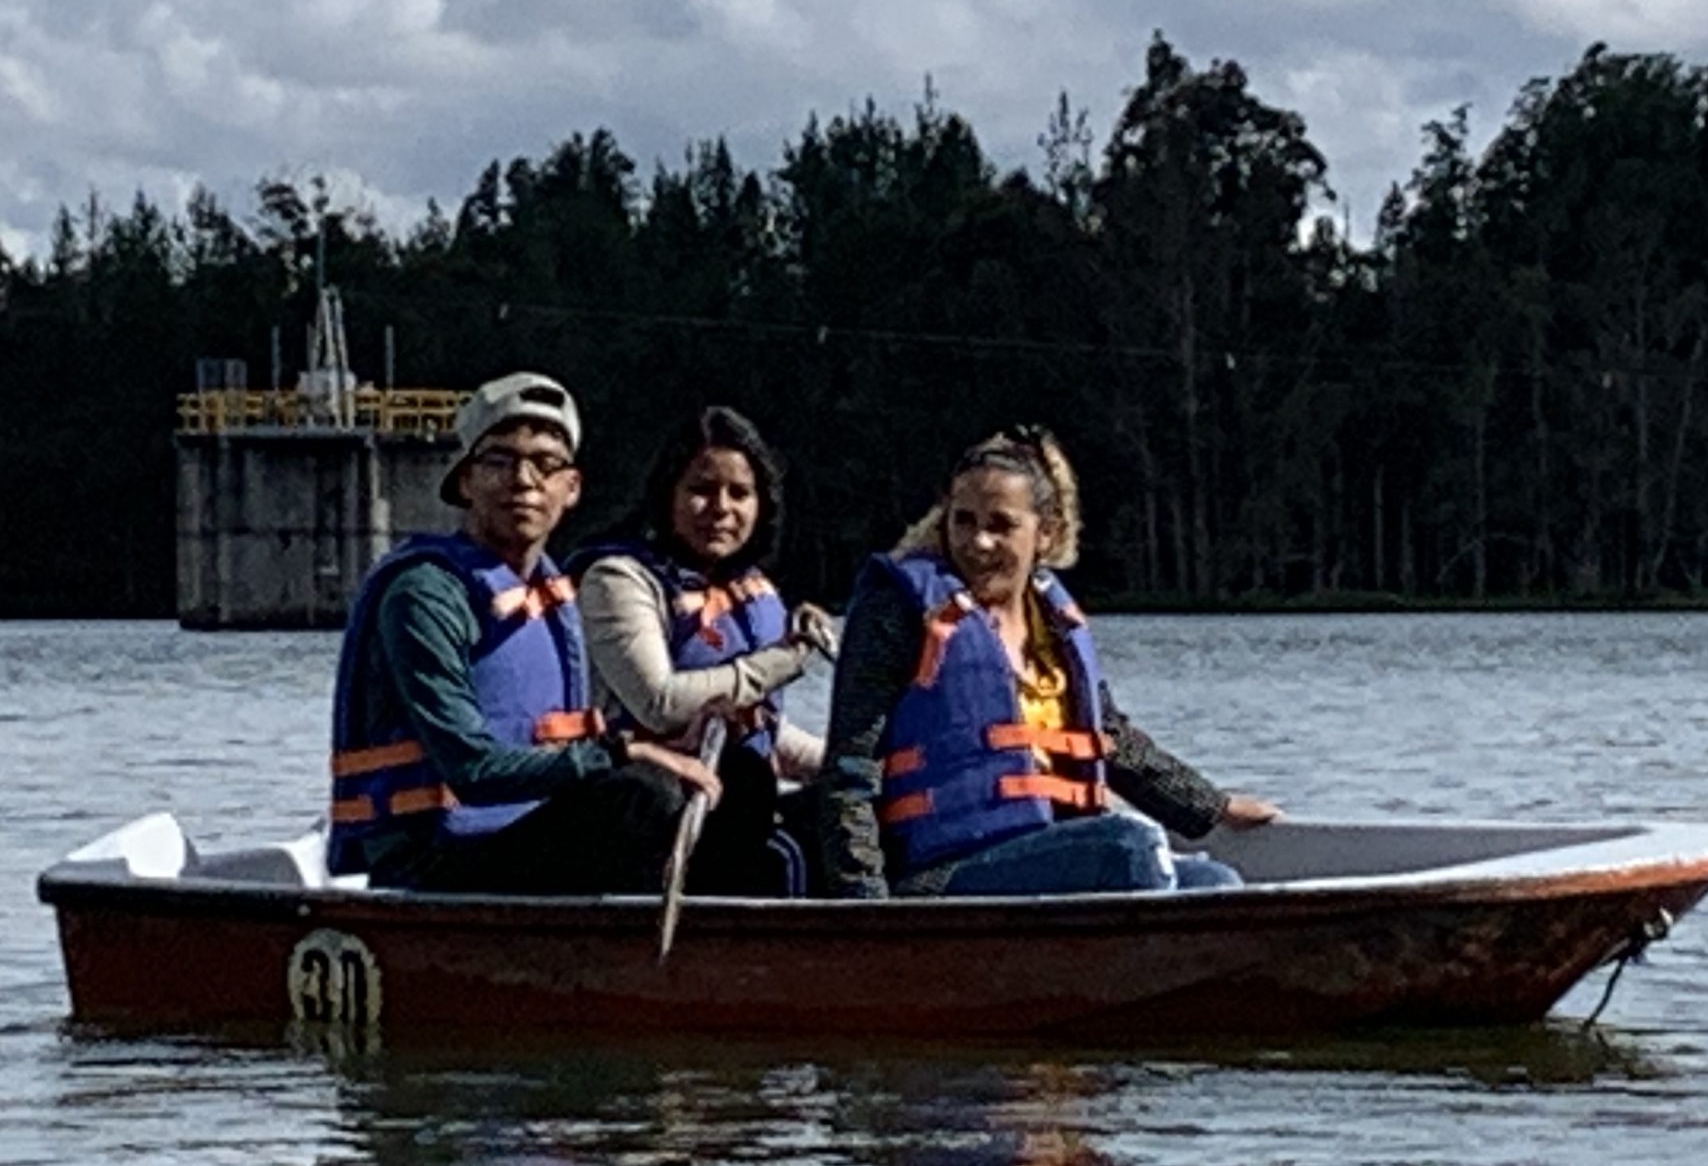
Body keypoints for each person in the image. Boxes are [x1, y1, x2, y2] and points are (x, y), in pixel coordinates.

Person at [817, 425, 1279, 899]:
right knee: (1130, 848)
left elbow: (1111, 740)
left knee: (1218, 883)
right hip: (942, 876)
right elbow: (850, 771)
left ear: (1046, 533)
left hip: (1056, 854)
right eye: (964, 521)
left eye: (1000, 525)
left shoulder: (1054, 622)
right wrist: (867, 906)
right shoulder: (898, 612)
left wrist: (1212, 806)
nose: (978, 542)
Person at [327, 371, 720, 893]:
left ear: (571, 488)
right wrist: (623, 753)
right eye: (499, 461)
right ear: (465, 482)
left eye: (546, 464)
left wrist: (667, 741)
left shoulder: (550, 590)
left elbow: (569, 744)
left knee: (724, 783)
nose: (524, 480)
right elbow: (470, 769)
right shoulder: (424, 594)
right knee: (642, 795)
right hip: (435, 858)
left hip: (522, 832)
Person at [572, 405, 833, 897]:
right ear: (668, 495)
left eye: (740, 493)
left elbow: (763, 731)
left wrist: (849, 762)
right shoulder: (616, 580)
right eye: (701, 490)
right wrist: (785, 659)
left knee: (846, 803)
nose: (721, 508)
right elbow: (661, 704)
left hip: (741, 795)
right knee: (745, 791)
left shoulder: (755, 591)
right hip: (652, 806)